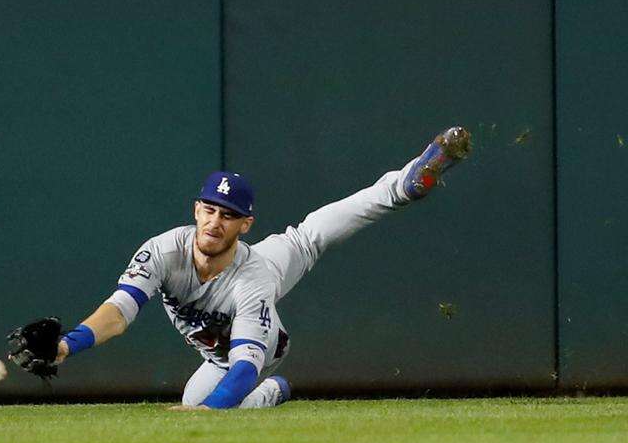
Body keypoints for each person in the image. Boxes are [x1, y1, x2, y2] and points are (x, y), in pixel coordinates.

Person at [53, 127, 471, 410]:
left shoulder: (257, 279)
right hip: (217, 353)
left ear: (245, 224)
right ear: (196, 210)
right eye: (210, 210)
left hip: (258, 335)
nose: (216, 222)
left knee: (310, 237)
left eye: (228, 216)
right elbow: (119, 310)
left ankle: (402, 185)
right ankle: (274, 394)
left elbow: (244, 368)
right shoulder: (163, 251)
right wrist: (66, 345)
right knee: (192, 403)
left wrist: (211, 415)